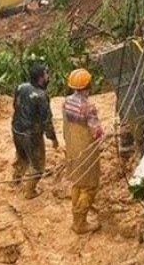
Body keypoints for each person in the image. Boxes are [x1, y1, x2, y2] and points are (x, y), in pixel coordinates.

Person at [63, 68, 104, 234]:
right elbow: (97, 132)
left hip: (72, 148)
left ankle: (77, 214)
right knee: (89, 187)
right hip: (86, 151)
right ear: (88, 86)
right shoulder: (88, 107)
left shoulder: (66, 102)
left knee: (77, 183)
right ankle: (80, 223)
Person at [12, 64, 58, 199]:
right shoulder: (41, 96)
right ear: (41, 78)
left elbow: (15, 105)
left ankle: (16, 179)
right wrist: (53, 138)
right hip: (31, 135)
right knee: (38, 166)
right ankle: (30, 192)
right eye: (46, 74)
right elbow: (46, 121)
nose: (48, 77)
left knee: (22, 156)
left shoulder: (21, 87)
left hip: (16, 129)